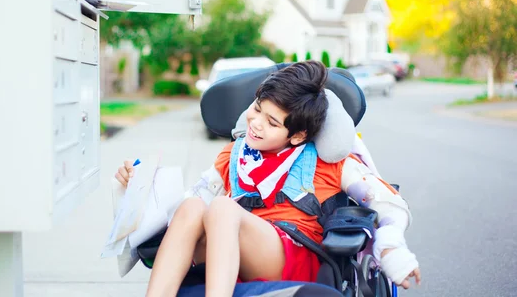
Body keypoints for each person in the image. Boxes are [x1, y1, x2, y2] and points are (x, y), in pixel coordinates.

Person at [115, 61, 421, 297]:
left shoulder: (330, 163)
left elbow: (389, 204)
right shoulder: (234, 155)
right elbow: (187, 208)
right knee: (193, 207)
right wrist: (141, 188)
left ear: (298, 135)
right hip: (231, 248)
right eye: (257, 109)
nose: (256, 124)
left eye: (272, 122)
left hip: (294, 255)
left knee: (222, 208)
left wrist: (391, 249)